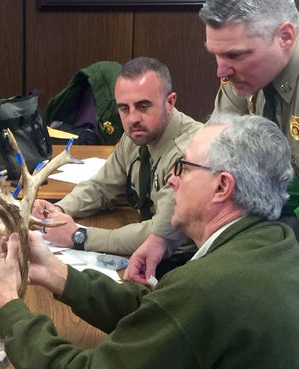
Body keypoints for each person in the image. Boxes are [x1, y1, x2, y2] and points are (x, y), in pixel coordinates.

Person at [0, 114, 299, 369]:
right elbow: (165, 312)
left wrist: (8, 307)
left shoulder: (209, 288)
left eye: (184, 168)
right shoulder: (276, 245)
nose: (172, 181)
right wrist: (57, 273)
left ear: (222, 186)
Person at [126, 0, 299, 283]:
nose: (221, 71)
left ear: (285, 37)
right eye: (216, 55)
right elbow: (200, 164)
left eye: (235, 55)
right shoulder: (242, 82)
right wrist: (161, 238)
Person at [33, 57, 202, 276]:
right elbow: (101, 187)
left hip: (184, 265)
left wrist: (79, 235)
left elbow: (158, 234)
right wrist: (60, 211)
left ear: (170, 102)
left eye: (143, 106)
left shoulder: (191, 152)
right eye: (124, 108)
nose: (132, 119)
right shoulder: (135, 137)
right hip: (145, 259)